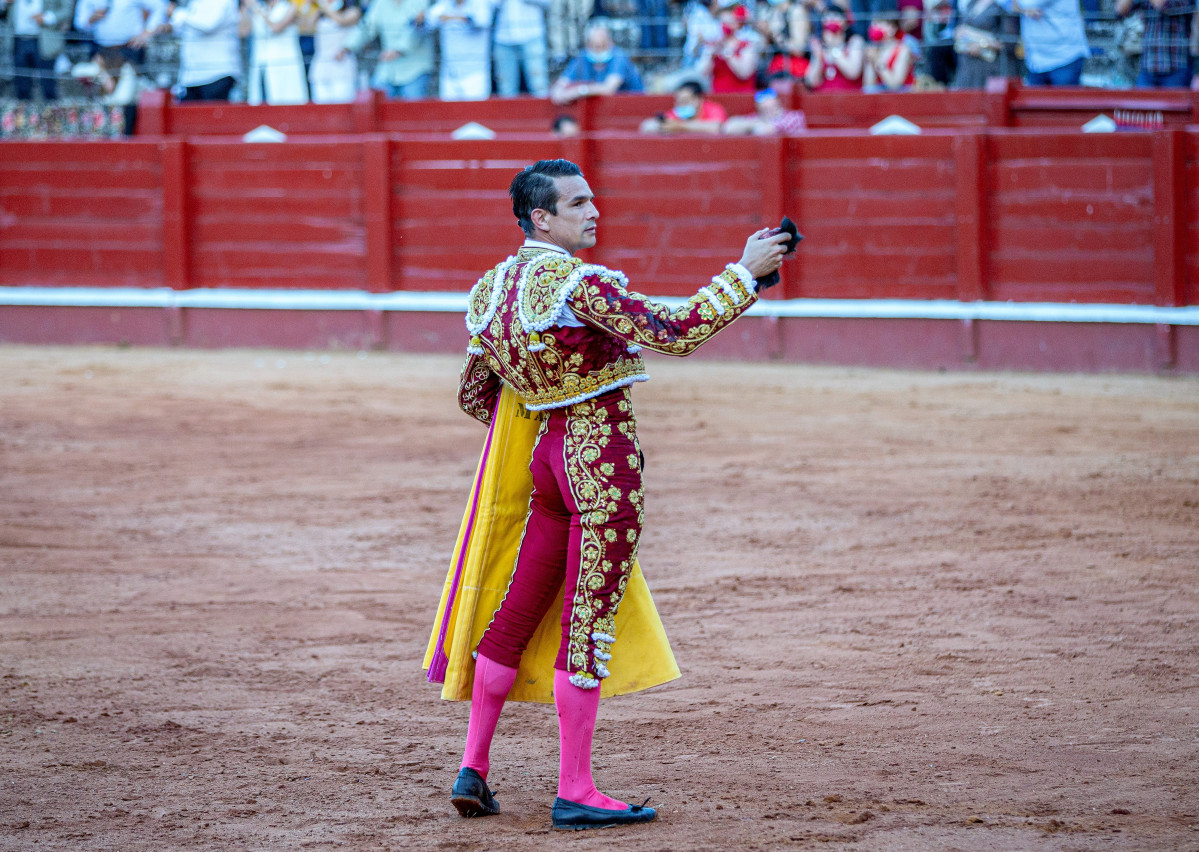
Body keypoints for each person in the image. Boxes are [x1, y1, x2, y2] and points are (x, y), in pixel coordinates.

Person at [433, 158, 788, 831]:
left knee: (514, 614)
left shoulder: (491, 291)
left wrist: (544, 400)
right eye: (577, 203)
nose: (593, 211)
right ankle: (575, 789)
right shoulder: (577, 284)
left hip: (545, 460)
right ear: (541, 217)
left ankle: (472, 767)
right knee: (586, 621)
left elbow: (475, 393)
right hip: (599, 464)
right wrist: (745, 273)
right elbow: (674, 330)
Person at [340, 0, 433, 98]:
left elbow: (417, 28)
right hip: (387, 69)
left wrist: (398, 50)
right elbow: (367, 26)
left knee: (413, 110)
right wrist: (346, 47)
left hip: (415, 70)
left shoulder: (420, 2)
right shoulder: (380, 3)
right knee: (377, 102)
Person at [996, 0, 1089, 85]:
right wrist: (1023, 9)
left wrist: (1018, 7)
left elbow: (1028, 3)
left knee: (1064, 103)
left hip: (1065, 58)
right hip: (1035, 61)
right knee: (1035, 103)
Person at [549, 21, 643, 104]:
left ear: (610, 43)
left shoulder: (618, 57)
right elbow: (562, 82)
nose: (598, 51)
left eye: (602, 45)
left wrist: (579, 91)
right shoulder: (583, 57)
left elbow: (608, 88)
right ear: (588, 45)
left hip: (628, 108)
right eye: (594, 46)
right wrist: (558, 92)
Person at [167, 0, 241, 101]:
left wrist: (178, 13)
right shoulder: (195, 2)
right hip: (191, 77)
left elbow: (208, 24)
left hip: (216, 75)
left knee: (211, 116)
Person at [2, 0, 72, 100]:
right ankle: (24, 113)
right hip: (18, 40)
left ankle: (50, 113)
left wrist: (46, 18)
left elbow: (66, 10)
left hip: (43, 40)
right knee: (22, 85)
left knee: (48, 85)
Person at [242, 0, 309, 103]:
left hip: (285, 64)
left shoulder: (290, 7)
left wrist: (258, 9)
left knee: (287, 100)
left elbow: (276, 27)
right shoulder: (260, 7)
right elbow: (243, 32)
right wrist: (245, 8)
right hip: (262, 65)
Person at [1116, 0, 1195, 87]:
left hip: (1176, 67)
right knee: (1141, 100)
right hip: (1148, 66)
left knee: (1174, 100)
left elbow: (1161, 5)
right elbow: (1120, 10)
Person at [427, 0, 492, 100]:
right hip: (449, 73)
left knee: (476, 114)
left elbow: (482, 20)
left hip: (475, 73)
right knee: (448, 114)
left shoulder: (480, 3)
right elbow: (428, 20)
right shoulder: (445, 3)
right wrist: (422, 17)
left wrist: (453, 17)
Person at [73, 0, 168, 68]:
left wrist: (148, 31)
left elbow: (160, 5)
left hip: (129, 51)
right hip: (101, 52)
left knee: (125, 94)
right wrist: (91, 19)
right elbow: (79, 23)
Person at [699, 2, 762, 92]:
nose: (724, 25)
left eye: (728, 21)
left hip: (741, 97)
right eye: (722, 21)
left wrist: (727, 52)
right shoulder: (714, 44)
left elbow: (744, 73)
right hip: (719, 97)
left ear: (737, 24)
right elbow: (702, 74)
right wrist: (710, 55)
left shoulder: (747, 45)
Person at [493, 0, 551, 96]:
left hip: (532, 35)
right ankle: (508, 111)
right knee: (506, 89)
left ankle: (540, 111)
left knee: (539, 85)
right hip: (503, 37)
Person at [306, 0, 359, 102]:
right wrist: (314, 8)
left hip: (342, 64)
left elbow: (341, 21)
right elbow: (308, 27)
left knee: (342, 104)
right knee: (321, 106)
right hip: (321, 65)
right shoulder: (321, 13)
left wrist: (325, 7)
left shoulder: (352, 11)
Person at [804, 6, 865, 89]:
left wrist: (834, 48)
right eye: (827, 17)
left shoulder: (854, 41)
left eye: (835, 16)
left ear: (845, 23)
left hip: (849, 97)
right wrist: (818, 58)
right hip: (824, 97)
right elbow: (811, 82)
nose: (831, 20)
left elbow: (853, 73)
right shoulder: (819, 45)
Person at [639, 80, 729, 133]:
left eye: (685, 101)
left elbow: (717, 127)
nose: (681, 105)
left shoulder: (713, 109)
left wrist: (680, 126)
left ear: (698, 99)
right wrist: (663, 125)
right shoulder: (677, 113)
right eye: (678, 102)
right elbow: (647, 126)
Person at [952, 0, 1005, 88]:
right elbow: (958, 31)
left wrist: (981, 44)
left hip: (987, 66)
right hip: (966, 63)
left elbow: (1004, 43)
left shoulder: (999, 8)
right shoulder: (970, 4)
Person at [722, 85, 807, 133]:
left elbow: (764, 131)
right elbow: (728, 127)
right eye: (762, 97)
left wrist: (749, 125)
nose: (767, 100)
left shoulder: (794, 117)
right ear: (757, 105)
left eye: (769, 96)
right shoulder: (755, 117)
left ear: (778, 100)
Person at [863, 14, 914, 90]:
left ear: (892, 29)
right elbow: (868, 85)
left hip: (902, 93)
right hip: (882, 95)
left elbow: (895, 85)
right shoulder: (875, 49)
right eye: (873, 25)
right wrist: (870, 61)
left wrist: (877, 60)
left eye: (879, 24)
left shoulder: (902, 49)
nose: (874, 28)